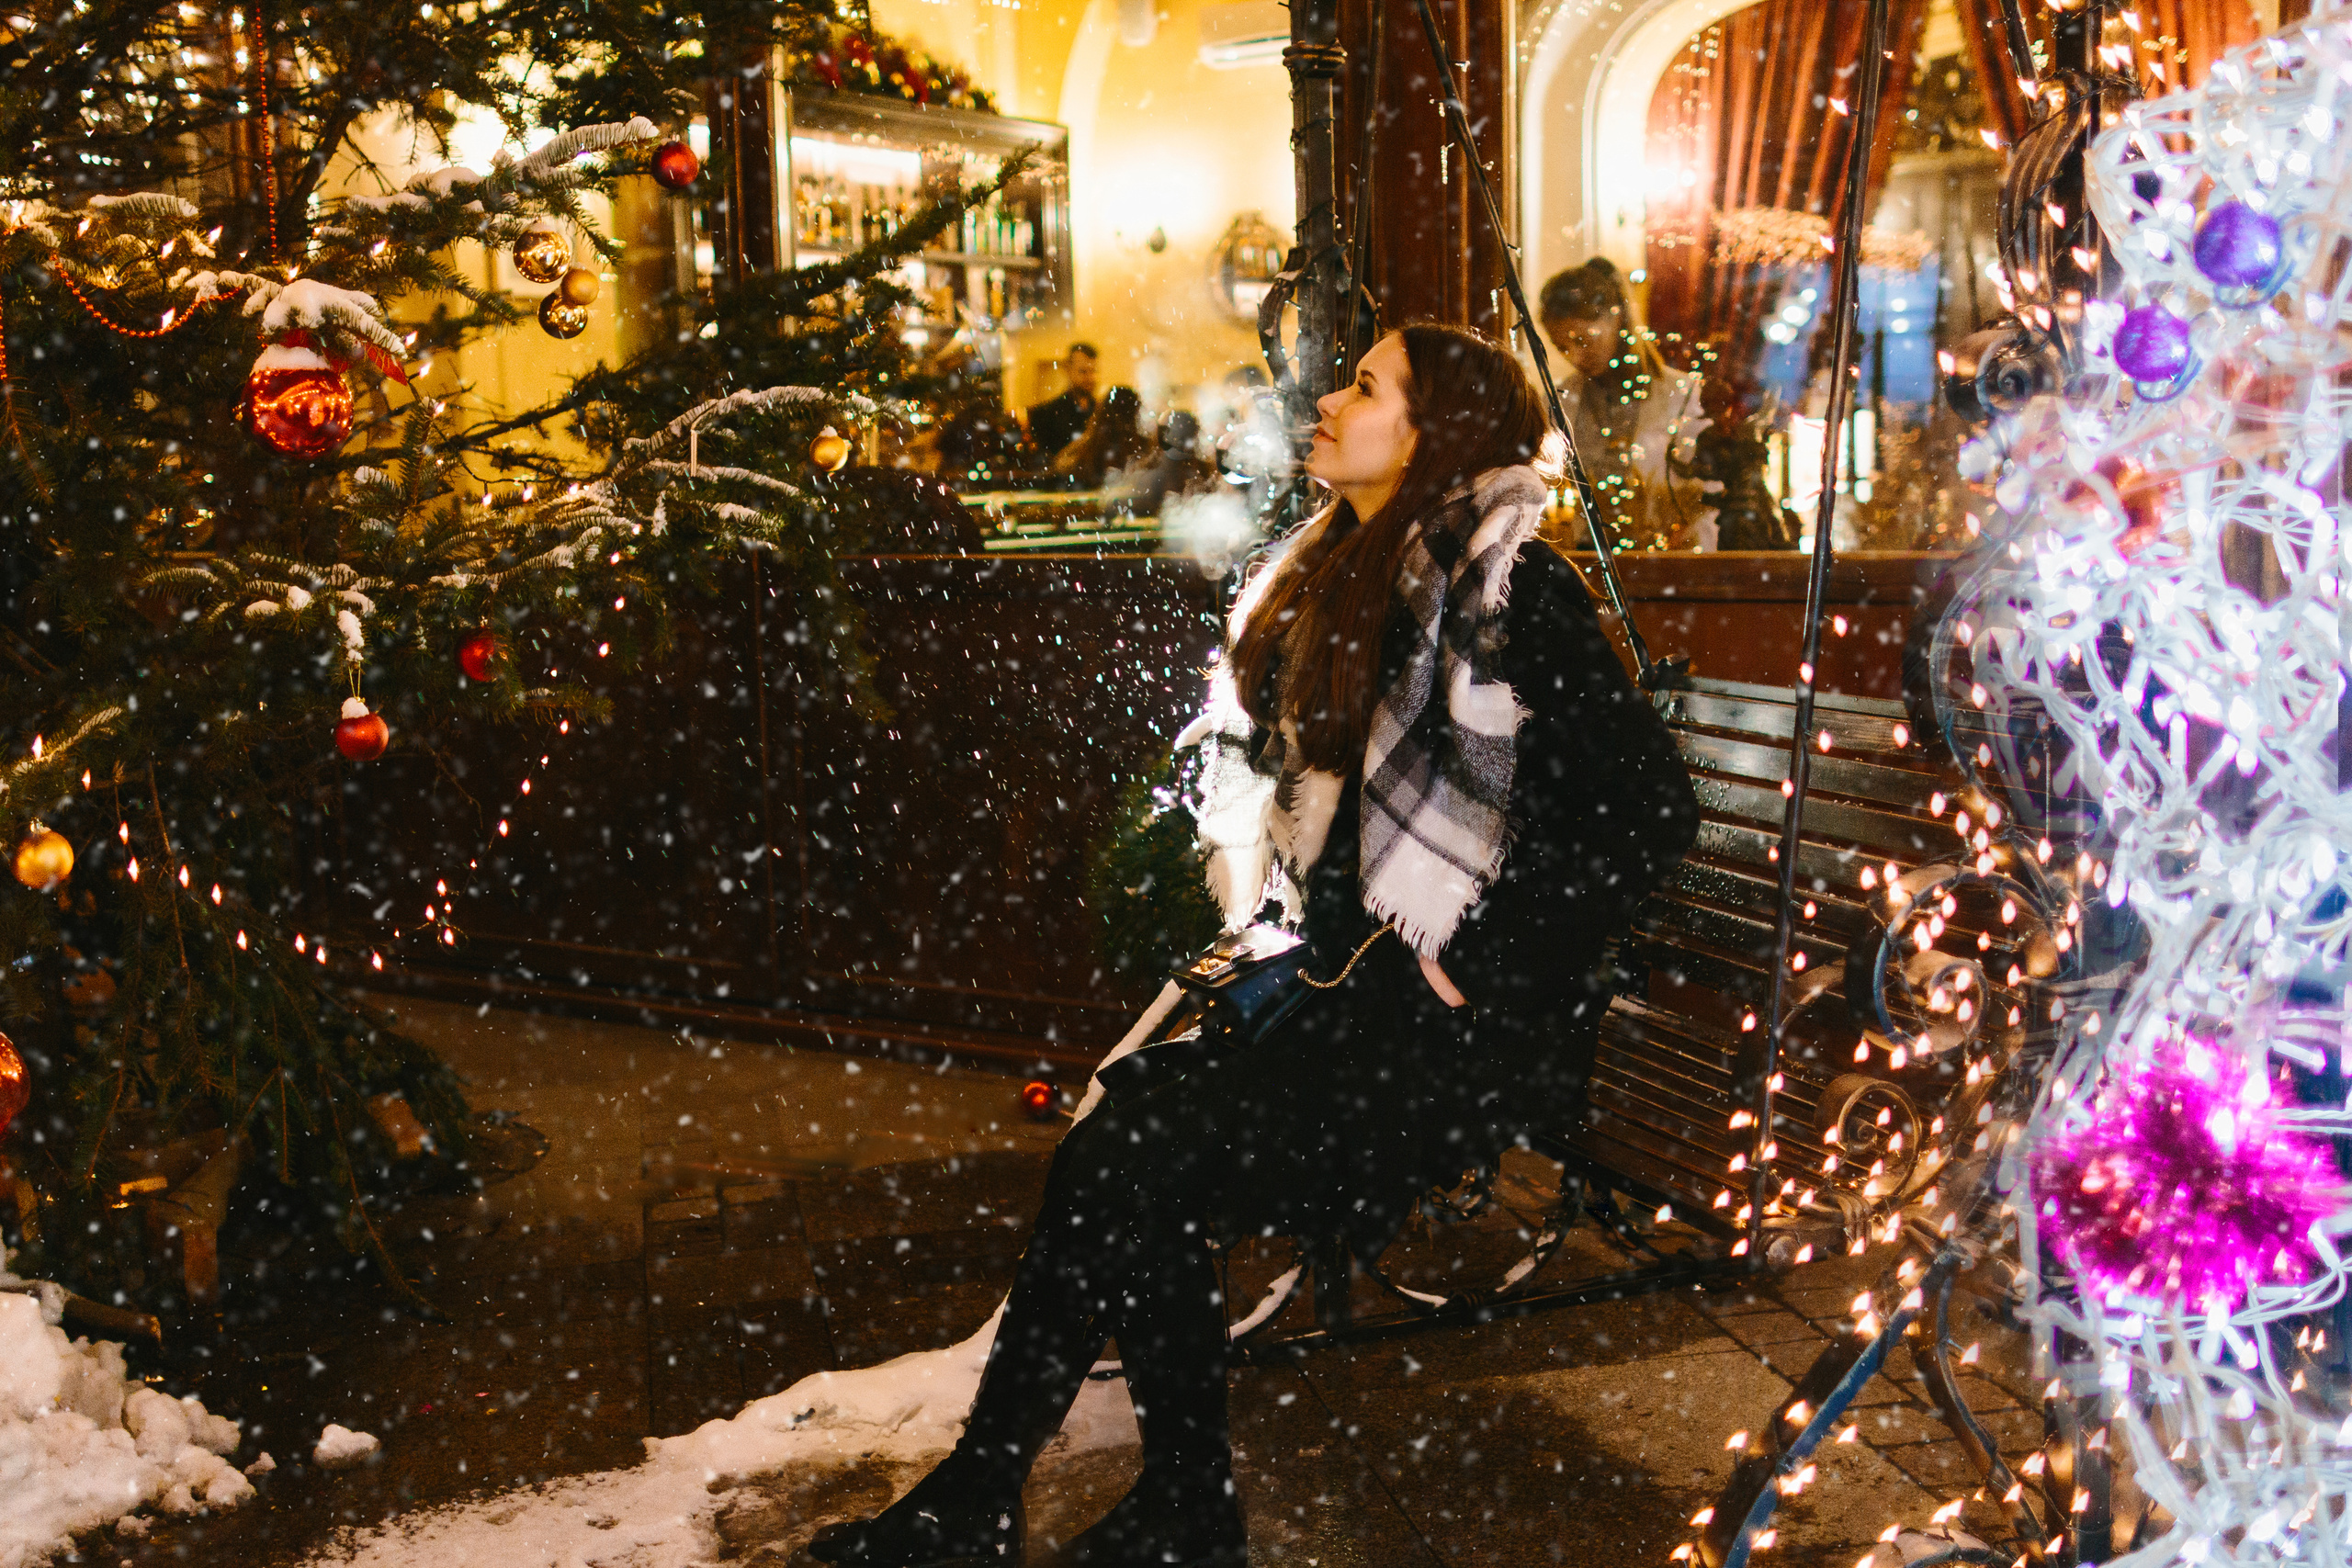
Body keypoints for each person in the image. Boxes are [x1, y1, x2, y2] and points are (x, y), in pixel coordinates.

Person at [809, 324, 1700, 1568]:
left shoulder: (1507, 589)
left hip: (1457, 1043)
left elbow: (1649, 810)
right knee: (1124, 1151)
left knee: (1136, 1159)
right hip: (1350, 1004)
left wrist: (1470, 968)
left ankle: (1073, 1502)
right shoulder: (1352, 564)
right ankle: (1100, 1500)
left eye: (1367, 387)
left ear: (1432, 436)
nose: (1329, 399)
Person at [1538, 258, 1715, 550]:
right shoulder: (1558, 400)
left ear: (1615, 319)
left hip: (1668, 555)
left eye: (1584, 341)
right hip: (1590, 554)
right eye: (1562, 347)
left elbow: (1707, 490)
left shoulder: (1682, 393)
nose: (1575, 357)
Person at [1049, 384, 1156, 489]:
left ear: (1103, 410)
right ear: (1137, 411)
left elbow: (1060, 466)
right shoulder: (1143, 448)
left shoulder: (1090, 445)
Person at [1026, 342, 1102, 458]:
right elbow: (1044, 461)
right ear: (1068, 370)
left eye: (1093, 371)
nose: (1090, 378)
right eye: (1083, 371)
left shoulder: (1102, 412)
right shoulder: (1045, 414)